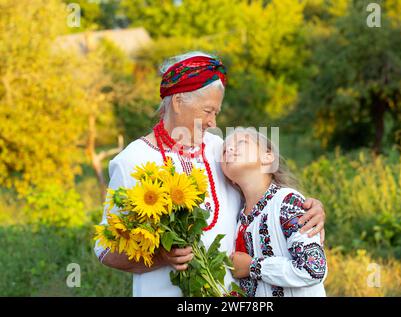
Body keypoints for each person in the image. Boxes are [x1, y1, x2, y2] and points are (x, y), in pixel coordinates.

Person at [94, 51, 326, 297]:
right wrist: (162, 256)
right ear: (178, 100)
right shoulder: (133, 160)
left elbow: (262, 193)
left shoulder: (220, 150)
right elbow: (105, 250)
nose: (213, 122)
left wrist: (308, 207)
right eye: (208, 111)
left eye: (216, 112)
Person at [222, 128, 327, 296]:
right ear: (230, 179)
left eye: (241, 143)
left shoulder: (287, 202)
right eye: (225, 150)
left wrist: (253, 267)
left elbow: (313, 269)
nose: (230, 150)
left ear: (268, 157)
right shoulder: (239, 220)